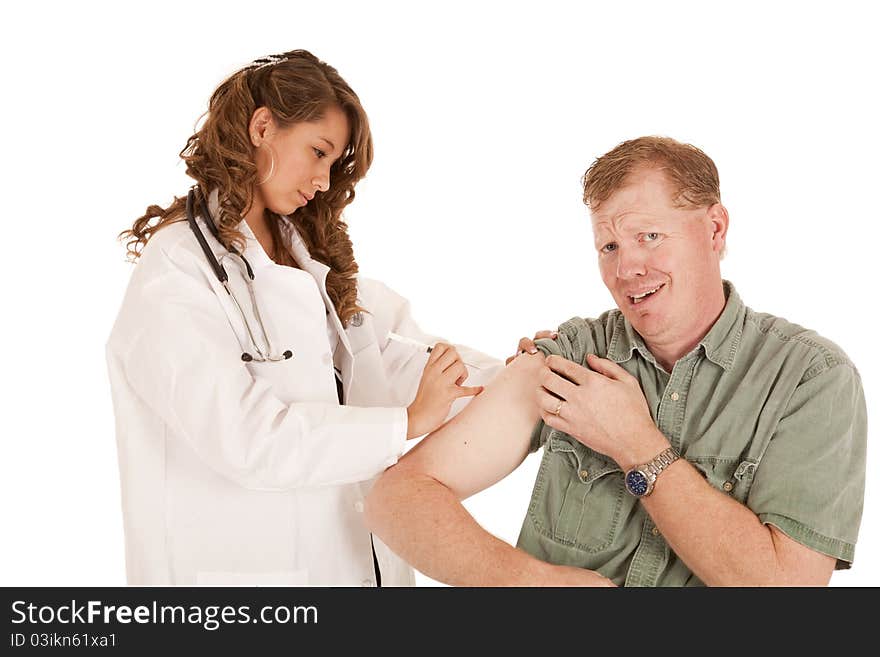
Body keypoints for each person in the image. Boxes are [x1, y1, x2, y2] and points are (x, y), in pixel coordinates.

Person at [365, 136, 867, 586]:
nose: (626, 268)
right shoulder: (572, 355)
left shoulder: (810, 378)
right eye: (609, 246)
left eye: (649, 236)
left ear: (715, 229)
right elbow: (398, 499)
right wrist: (533, 585)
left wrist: (636, 445)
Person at [106, 50, 502, 586]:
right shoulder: (176, 270)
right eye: (318, 152)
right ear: (263, 126)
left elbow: (399, 355)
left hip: (354, 567)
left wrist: (529, 374)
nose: (322, 179)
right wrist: (406, 423)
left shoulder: (308, 261)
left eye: (333, 164)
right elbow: (249, 440)